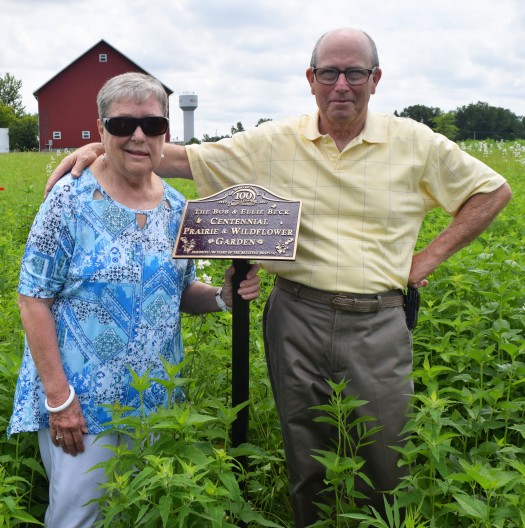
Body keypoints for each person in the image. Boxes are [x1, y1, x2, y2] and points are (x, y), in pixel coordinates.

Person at [46, 29, 512, 527]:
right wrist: (102, 147)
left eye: (355, 73)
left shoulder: (415, 141)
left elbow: (492, 191)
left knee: (385, 455)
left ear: (375, 80)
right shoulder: (276, 140)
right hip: (296, 314)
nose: (342, 85)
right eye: (329, 73)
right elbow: (182, 158)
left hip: (377, 320)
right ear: (310, 79)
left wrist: (427, 258)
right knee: (304, 452)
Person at [8, 72, 260, 528]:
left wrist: (222, 297)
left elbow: (180, 292)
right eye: (123, 125)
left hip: (155, 406)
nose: (138, 136)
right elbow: (33, 300)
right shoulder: (68, 199)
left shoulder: (178, 209)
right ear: (101, 129)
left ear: (166, 132)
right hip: (83, 408)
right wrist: (59, 399)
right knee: (77, 519)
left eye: (153, 125)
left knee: (142, 516)